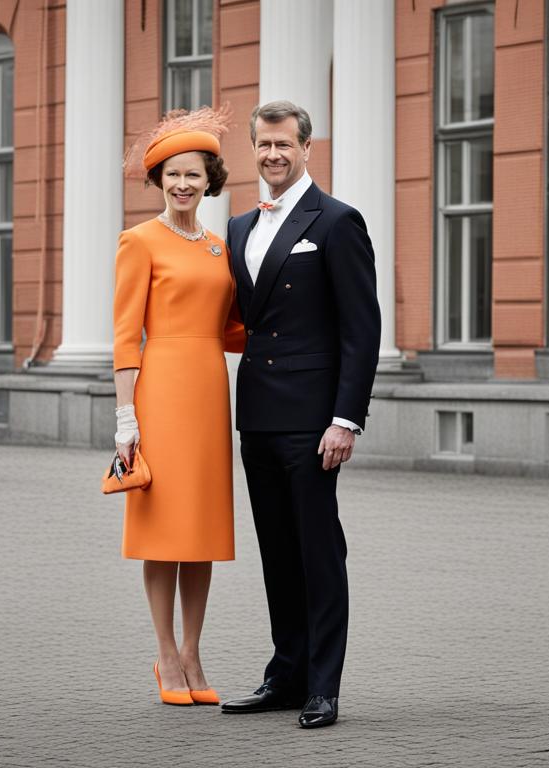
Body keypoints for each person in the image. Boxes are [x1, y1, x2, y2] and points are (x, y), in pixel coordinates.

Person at [219, 101, 381, 729]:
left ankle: (323, 685)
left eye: (284, 145)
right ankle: (284, 674)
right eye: (263, 146)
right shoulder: (238, 228)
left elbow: (360, 331)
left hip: (313, 421)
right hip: (256, 414)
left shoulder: (338, 222)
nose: (273, 155)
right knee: (277, 553)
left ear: (307, 148)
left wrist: (346, 419)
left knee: (318, 552)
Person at [113, 106, 245, 707]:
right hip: (161, 388)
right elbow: (124, 335)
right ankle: (165, 654)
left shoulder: (221, 248)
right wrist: (126, 418)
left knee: (201, 530)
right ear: (159, 180)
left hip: (210, 390)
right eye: (173, 175)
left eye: (194, 175)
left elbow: (236, 328)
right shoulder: (138, 241)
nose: (184, 185)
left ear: (209, 179)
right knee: (165, 529)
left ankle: (194, 650)